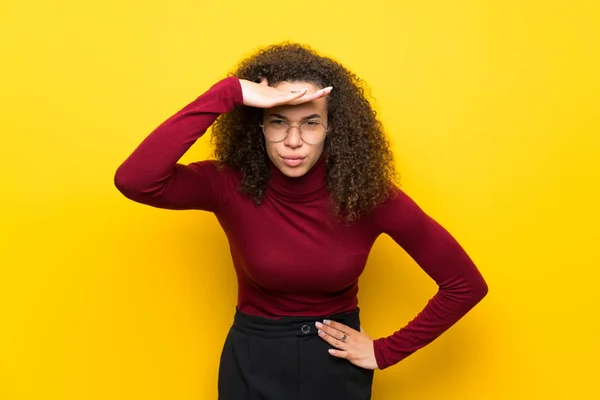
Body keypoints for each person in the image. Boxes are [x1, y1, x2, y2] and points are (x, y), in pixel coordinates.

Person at [114, 42, 488, 400]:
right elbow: (135, 180)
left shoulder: (369, 195)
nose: (294, 141)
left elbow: (464, 284)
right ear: (258, 127)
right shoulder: (228, 184)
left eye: (310, 123)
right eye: (278, 122)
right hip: (252, 362)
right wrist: (226, 94)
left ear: (331, 128)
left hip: (335, 369)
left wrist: (384, 352)